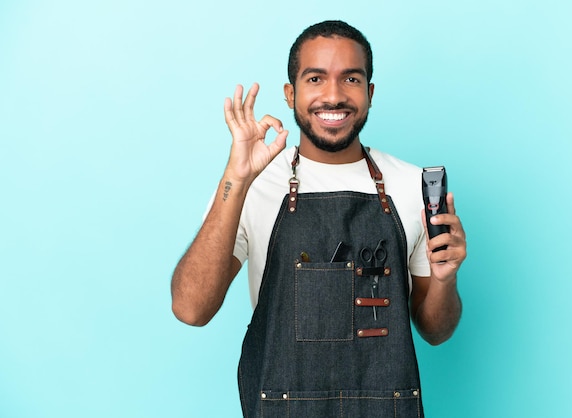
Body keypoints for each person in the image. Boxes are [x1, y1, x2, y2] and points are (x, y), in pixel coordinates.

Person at [171, 20, 466, 417]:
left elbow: (436, 330)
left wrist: (445, 280)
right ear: (291, 94)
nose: (333, 95)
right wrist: (235, 178)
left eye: (351, 79)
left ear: (369, 93)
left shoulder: (411, 184)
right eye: (315, 78)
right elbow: (191, 309)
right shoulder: (253, 184)